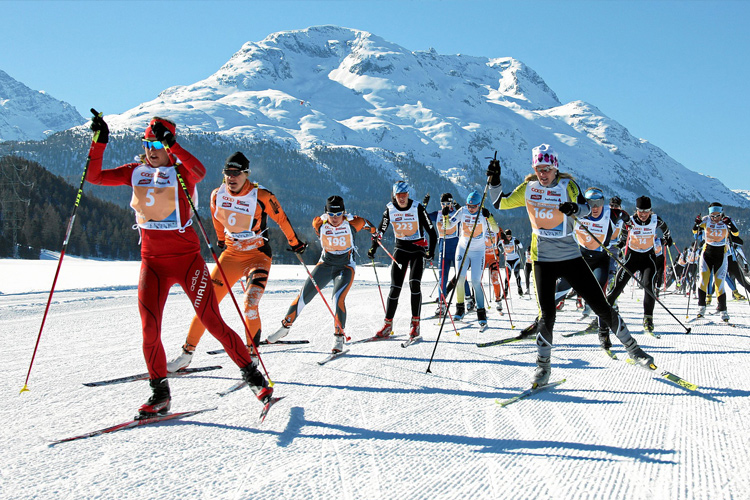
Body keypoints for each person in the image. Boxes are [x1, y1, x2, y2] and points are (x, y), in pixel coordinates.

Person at [86, 116, 273, 417]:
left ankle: (254, 378)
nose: (152, 150)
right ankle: (160, 394)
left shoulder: (181, 172)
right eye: (148, 144)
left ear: (169, 146)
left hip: (187, 262)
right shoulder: (134, 172)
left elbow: (200, 170)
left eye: (158, 144)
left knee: (212, 322)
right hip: (153, 263)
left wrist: (174, 144)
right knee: (150, 329)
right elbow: (94, 176)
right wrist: (100, 140)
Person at [486, 144, 653, 387]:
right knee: (547, 315)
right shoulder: (529, 188)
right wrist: (495, 179)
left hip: (571, 257)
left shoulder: (568, 186)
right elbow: (499, 203)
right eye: (539, 169)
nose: (543, 174)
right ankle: (543, 369)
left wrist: (575, 208)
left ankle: (634, 350)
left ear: (555, 168)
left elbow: (587, 209)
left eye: (547, 169)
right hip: (542, 260)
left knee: (601, 306)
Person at [166, 152, 306, 372]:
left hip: (258, 256)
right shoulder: (216, 194)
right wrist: (221, 239)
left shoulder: (262, 196)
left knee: (250, 304)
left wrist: (295, 242)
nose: (231, 177)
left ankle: (252, 355)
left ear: (246, 174)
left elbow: (281, 218)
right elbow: (216, 217)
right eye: (228, 173)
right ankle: (186, 354)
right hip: (231, 255)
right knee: (205, 306)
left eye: (236, 173)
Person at [267, 195, 376, 352]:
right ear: (326, 213)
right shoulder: (319, 223)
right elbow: (317, 225)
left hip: (346, 266)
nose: (335, 218)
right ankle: (284, 328)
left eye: (338, 215)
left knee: (337, 298)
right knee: (304, 295)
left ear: (344, 213)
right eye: (331, 215)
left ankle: (338, 338)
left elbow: (369, 225)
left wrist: (375, 233)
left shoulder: (354, 223)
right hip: (325, 265)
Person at [368, 181, 437, 339]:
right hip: (400, 249)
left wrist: (430, 252)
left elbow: (432, 233)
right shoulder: (390, 209)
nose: (402, 198)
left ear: (408, 195)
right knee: (395, 287)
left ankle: (415, 324)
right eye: (399, 195)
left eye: (404, 195)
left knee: (414, 284)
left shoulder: (417, 207)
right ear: (394, 195)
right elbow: (381, 231)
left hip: (418, 249)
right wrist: (373, 247)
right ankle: (387, 325)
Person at [606, 195, 673, 332]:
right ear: (636, 210)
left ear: (650, 210)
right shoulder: (630, 221)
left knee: (649, 286)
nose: (643, 214)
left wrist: (667, 239)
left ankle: (648, 319)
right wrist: (621, 244)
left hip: (648, 258)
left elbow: (665, 229)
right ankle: (603, 315)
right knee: (618, 286)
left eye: (646, 211)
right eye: (640, 211)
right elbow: (624, 236)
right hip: (632, 258)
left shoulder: (655, 220)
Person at [443, 190, 500, 327]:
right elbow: (448, 226)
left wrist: (490, 217)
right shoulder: (462, 211)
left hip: (478, 252)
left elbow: (496, 230)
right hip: (463, 248)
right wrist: (445, 216)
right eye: (469, 206)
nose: (471, 209)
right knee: (460, 279)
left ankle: (481, 312)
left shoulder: (483, 214)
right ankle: (460, 309)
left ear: (479, 205)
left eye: (474, 206)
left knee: (475, 281)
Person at [692, 202, 740, 321]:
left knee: (720, 283)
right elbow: (694, 232)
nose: (715, 219)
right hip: (707, 254)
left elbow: (736, 233)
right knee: (703, 281)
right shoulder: (706, 220)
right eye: (712, 216)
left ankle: (723, 310)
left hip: (721, 255)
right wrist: (696, 223)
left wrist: (729, 225)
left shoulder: (727, 220)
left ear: (721, 213)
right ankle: (701, 308)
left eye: (717, 215)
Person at [426, 193, 472, 317]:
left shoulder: (457, 213)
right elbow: (423, 216)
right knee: (443, 276)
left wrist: (458, 206)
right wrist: (424, 205)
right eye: (443, 204)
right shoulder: (438, 214)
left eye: (448, 203)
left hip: (456, 247)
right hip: (443, 247)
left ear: (452, 203)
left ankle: (469, 299)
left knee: (460, 276)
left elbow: (467, 214)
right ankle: (441, 305)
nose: (445, 206)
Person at [500, 229, 525, 296]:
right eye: (507, 236)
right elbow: (497, 247)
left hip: (516, 259)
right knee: (508, 275)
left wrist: (518, 243)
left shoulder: (514, 239)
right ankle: (505, 291)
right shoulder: (502, 241)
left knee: (516, 273)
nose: (508, 238)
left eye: (510, 236)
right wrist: (500, 250)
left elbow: (521, 247)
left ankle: (519, 288)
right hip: (508, 260)